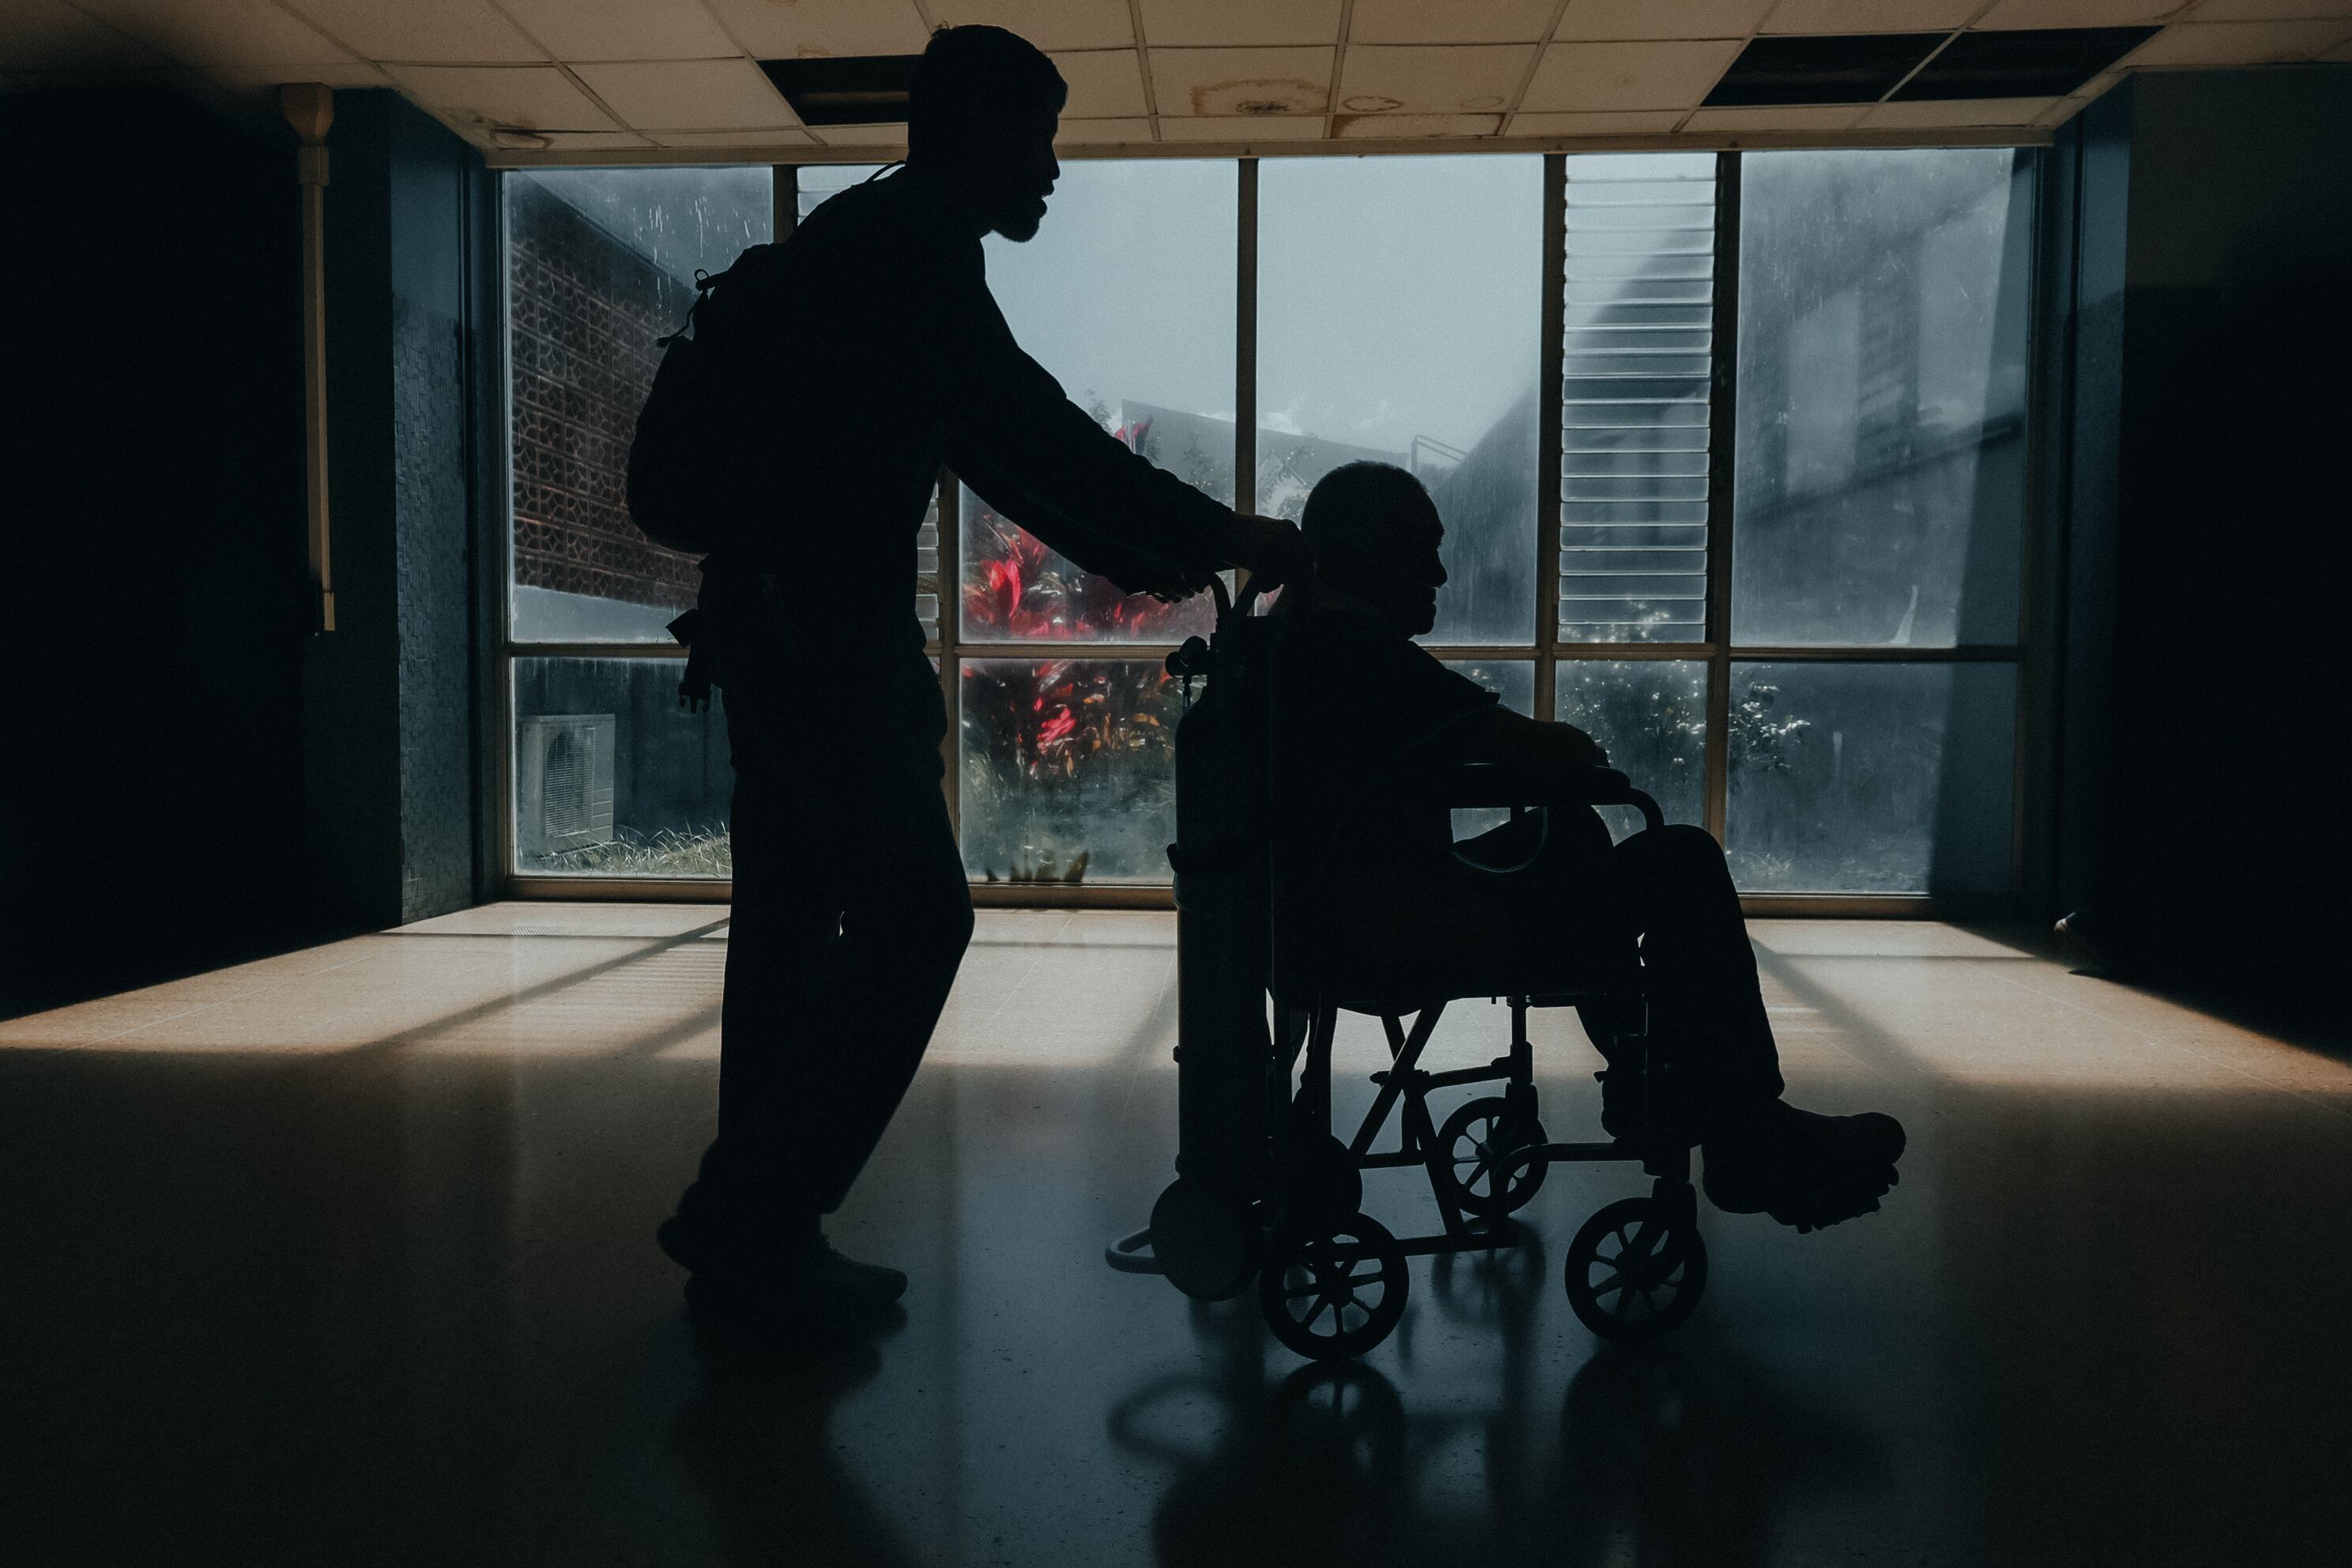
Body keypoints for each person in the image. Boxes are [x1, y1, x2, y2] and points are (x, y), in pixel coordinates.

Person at [659, 24, 1306, 1333]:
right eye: (1037, 134)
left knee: (785, 935)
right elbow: (1033, 438)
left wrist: (1171, 544)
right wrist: (1219, 537)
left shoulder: (866, 238)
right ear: (968, 129)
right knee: (914, 920)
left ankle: (754, 1248)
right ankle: (752, 1212)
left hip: (770, 634)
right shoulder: (910, 259)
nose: (1054, 169)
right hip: (823, 647)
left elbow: (1009, 450)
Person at [1276, 462, 1904, 1232]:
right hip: (1403, 931)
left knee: (1571, 838)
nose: (1441, 570)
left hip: (1325, 922)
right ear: (1366, 551)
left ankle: (1670, 1091)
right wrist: (1568, 751)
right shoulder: (1363, 656)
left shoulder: (1285, 644)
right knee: (1680, 861)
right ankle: (1734, 1122)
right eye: (1421, 549)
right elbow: (1556, 751)